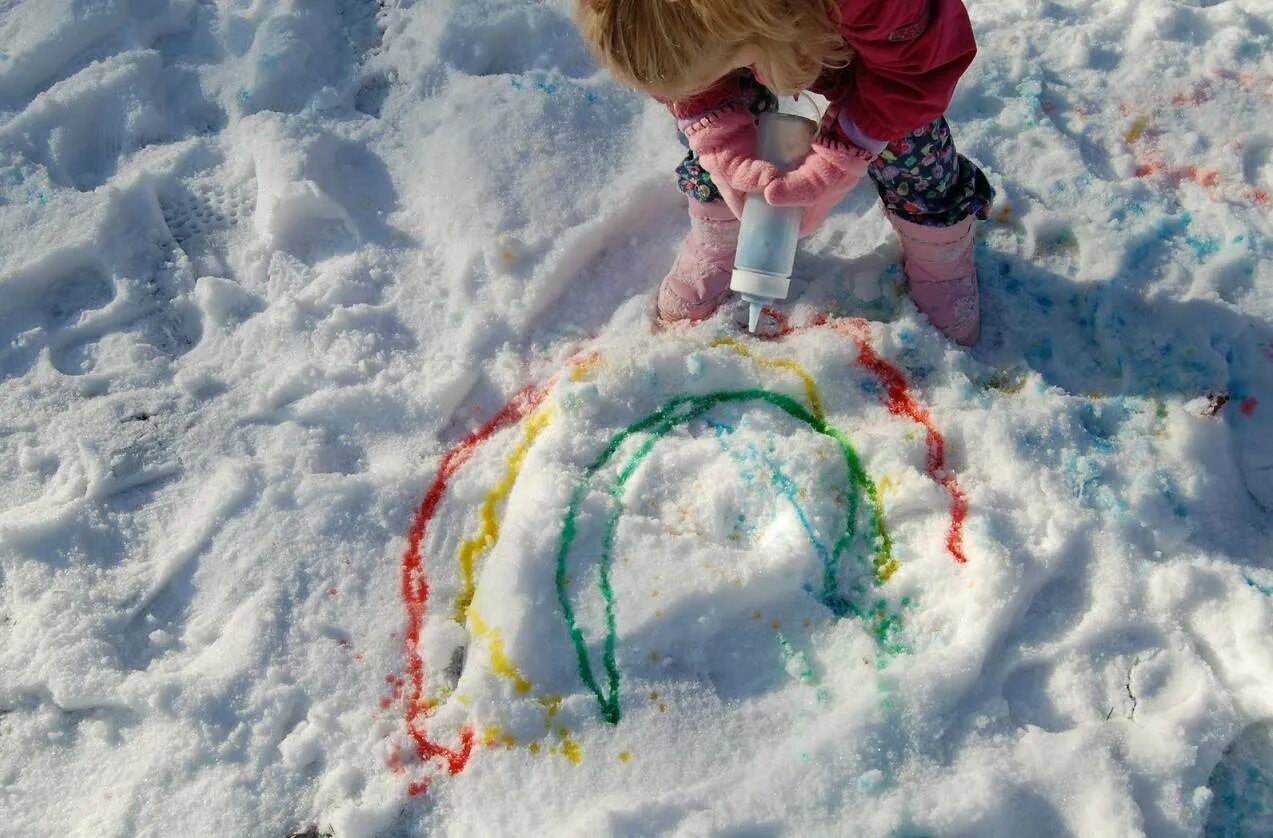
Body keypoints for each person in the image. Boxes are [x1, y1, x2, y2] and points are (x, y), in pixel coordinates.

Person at [575, 0, 995, 344]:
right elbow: (674, 61)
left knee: (909, 140)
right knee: (704, 87)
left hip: (891, 58)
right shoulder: (664, 19)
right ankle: (720, 229)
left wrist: (844, 156)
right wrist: (720, 144)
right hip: (751, 31)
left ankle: (939, 251)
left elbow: (918, 67)